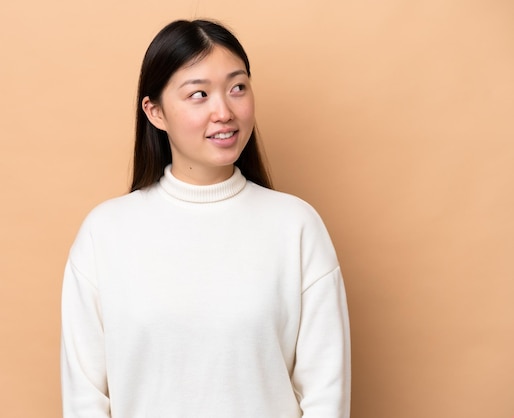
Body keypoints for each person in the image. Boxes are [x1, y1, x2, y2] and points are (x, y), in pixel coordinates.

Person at [61, 19, 351, 418]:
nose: (224, 111)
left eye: (237, 88)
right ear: (155, 112)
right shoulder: (105, 233)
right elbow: (85, 399)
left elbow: (325, 395)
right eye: (199, 94)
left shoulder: (295, 226)